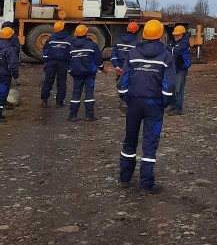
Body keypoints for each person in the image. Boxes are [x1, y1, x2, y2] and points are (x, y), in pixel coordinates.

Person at [117, 19, 176, 194]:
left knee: (130, 140)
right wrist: (163, 103)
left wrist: (127, 97)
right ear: (160, 35)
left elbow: (124, 79)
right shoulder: (166, 56)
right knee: (150, 144)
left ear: (143, 34)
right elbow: (169, 84)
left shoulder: (134, 53)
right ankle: (146, 184)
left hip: (134, 103)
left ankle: (125, 178)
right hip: (154, 105)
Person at [67, 24, 106, 122]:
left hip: (76, 74)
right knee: (89, 94)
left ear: (75, 34)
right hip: (89, 74)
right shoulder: (92, 45)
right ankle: (89, 115)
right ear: (86, 33)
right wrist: (102, 69)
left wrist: (70, 71)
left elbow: (68, 60)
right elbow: (98, 59)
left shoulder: (71, 46)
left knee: (76, 94)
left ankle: (72, 116)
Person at [0, 24, 19, 123]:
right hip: (4, 76)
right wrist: (16, 76)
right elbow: (13, 64)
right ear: (10, 36)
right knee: (2, 94)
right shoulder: (10, 49)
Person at [41, 20, 72, 108]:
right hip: (62, 63)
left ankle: (44, 101)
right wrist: (70, 66)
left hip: (51, 62)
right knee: (61, 82)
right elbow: (70, 54)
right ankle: (59, 102)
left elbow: (46, 52)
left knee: (48, 81)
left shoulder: (51, 39)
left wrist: (46, 62)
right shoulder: (69, 40)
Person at [167, 25, 192, 115]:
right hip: (174, 67)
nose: (175, 36)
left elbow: (176, 51)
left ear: (182, 34)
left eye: (177, 35)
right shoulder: (173, 42)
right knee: (173, 88)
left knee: (178, 89)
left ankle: (178, 108)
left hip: (181, 68)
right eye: (175, 35)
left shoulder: (184, 43)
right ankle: (173, 106)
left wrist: (168, 48)